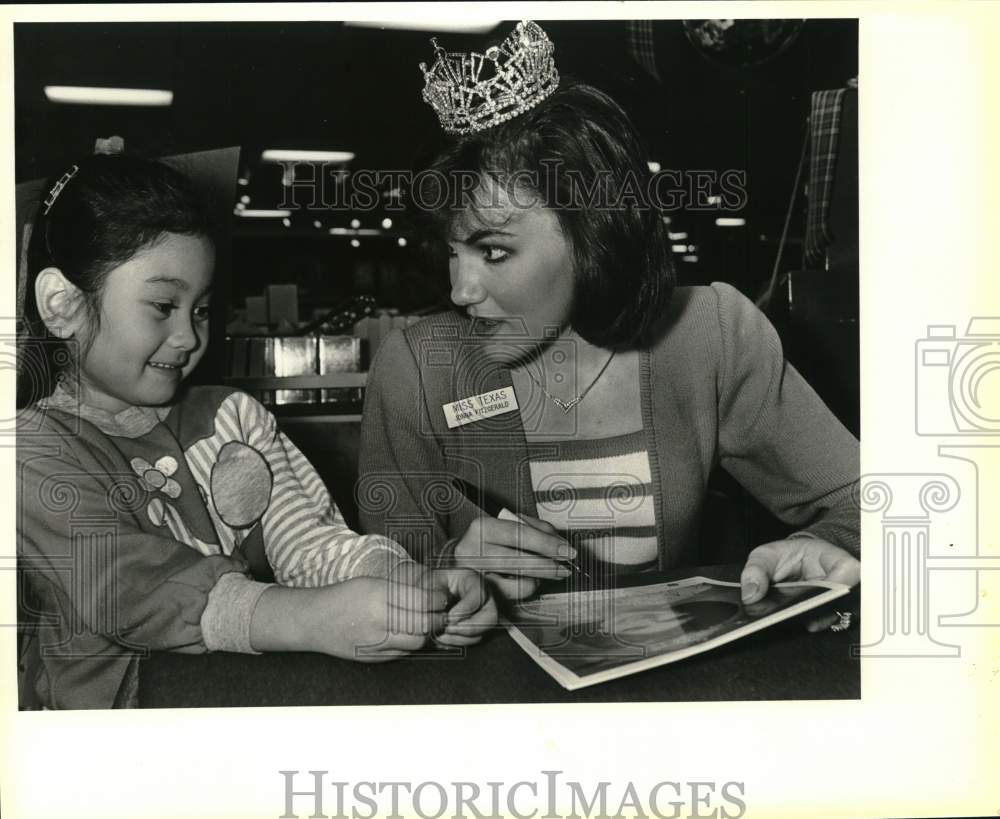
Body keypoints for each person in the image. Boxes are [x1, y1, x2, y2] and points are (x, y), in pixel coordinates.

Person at [358, 21, 860, 620]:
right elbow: (374, 580)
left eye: (493, 252)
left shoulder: (711, 335)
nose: (458, 289)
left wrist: (820, 548)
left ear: (592, 232)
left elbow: (873, 504)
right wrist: (447, 575)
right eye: (451, 251)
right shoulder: (416, 369)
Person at [16, 152, 495, 710]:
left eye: (200, 309)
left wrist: (405, 584)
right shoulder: (30, 451)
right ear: (62, 304)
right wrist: (311, 620)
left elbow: (306, 540)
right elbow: (127, 587)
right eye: (163, 305)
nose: (188, 336)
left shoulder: (232, 418)